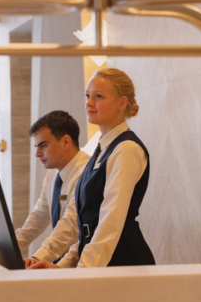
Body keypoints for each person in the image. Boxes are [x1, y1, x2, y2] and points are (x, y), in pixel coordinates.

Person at [29, 68, 155, 269]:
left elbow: (109, 224)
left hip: (124, 266)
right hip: (103, 267)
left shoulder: (126, 149)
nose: (89, 103)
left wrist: (82, 273)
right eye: (87, 96)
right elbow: (88, 230)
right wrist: (62, 267)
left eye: (98, 96)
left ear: (122, 102)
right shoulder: (101, 149)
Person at [15, 110, 90, 268]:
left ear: (66, 142)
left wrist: (37, 258)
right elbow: (39, 215)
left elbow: (69, 225)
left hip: (85, 264)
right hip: (64, 264)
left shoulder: (87, 173)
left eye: (43, 146)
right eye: (36, 147)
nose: (37, 154)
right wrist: (11, 247)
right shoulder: (53, 172)